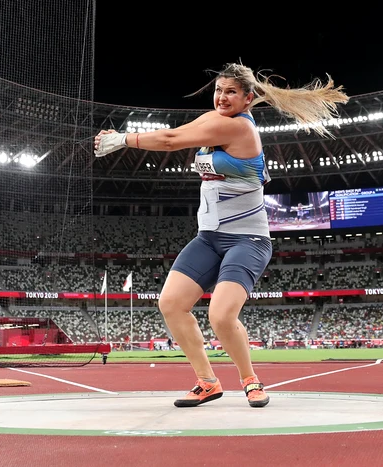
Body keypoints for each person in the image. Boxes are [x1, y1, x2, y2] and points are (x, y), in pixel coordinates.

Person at [94, 62, 348, 408]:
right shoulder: (211, 121)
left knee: (221, 315)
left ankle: (250, 380)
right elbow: (178, 134)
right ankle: (207, 382)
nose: (222, 97)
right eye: (218, 90)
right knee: (170, 304)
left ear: (247, 99)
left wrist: (123, 139)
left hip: (248, 240)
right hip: (209, 237)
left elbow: (169, 140)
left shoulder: (241, 130)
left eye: (230, 91)